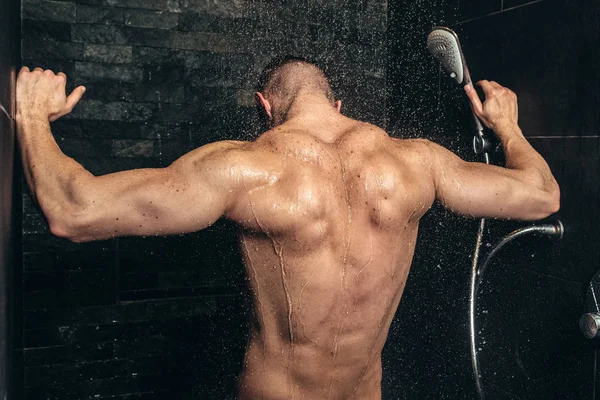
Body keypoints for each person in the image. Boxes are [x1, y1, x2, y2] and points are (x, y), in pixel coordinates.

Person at [16, 57, 559, 399]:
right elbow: (541, 195)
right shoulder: (418, 163)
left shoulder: (245, 168)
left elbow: (74, 210)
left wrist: (33, 118)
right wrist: (507, 127)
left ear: (265, 105)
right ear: (336, 102)